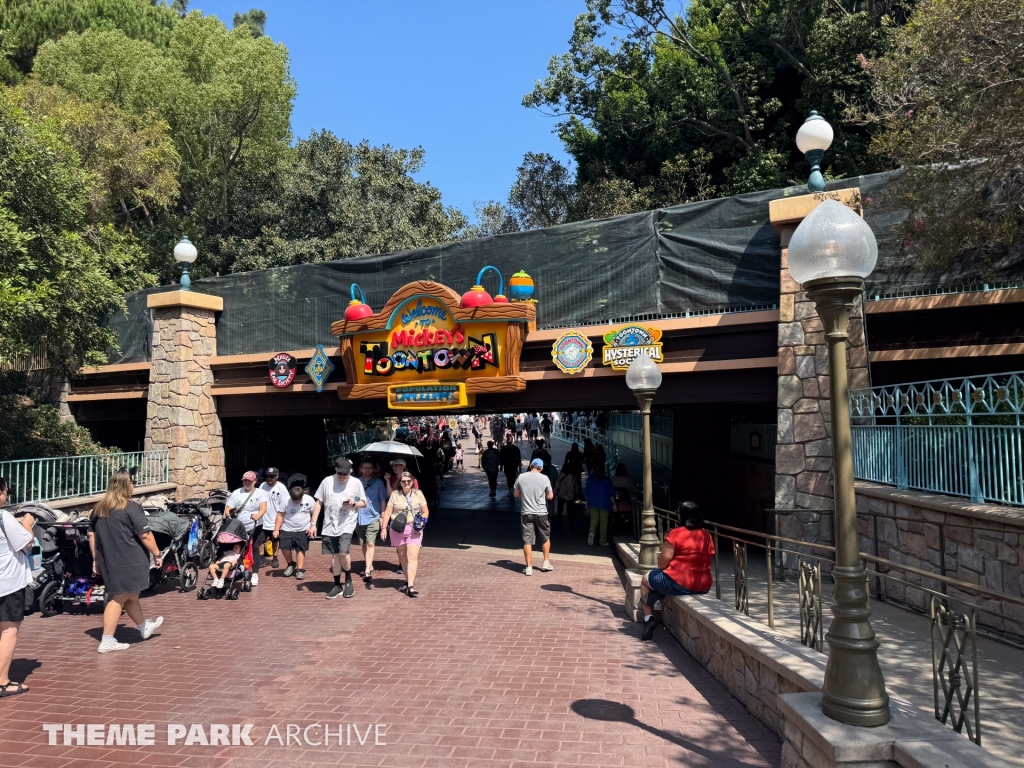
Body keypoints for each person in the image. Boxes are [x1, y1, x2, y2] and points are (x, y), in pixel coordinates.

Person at [87, 470, 164, 653]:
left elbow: (92, 535)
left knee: (131, 595)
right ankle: (107, 639)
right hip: (129, 560)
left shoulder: (98, 510)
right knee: (118, 597)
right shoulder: (131, 507)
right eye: (132, 482)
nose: (134, 485)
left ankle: (144, 626)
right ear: (124, 485)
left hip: (108, 560)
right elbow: (145, 535)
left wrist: (95, 559)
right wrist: (157, 554)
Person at [640, 502, 715, 640]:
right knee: (661, 579)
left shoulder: (675, 533)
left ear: (682, 516)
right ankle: (656, 597)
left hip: (679, 582)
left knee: (645, 579)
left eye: (678, 512)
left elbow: (662, 563)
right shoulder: (707, 535)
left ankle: (648, 618)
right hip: (703, 585)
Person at [311, 458, 365, 600]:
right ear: (335, 470)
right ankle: (337, 585)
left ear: (350, 472)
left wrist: (354, 503)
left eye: (345, 474)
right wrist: (313, 524)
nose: (342, 476)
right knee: (335, 555)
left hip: (347, 522)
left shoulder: (356, 483)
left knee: (343, 552)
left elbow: (363, 503)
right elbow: (319, 503)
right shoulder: (327, 481)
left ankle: (348, 579)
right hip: (329, 524)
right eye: (339, 473)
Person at [0, 478, 34, 696]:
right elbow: (26, 542)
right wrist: (27, 523)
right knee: (9, 630)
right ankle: (2, 682)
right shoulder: (3, 517)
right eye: (5, 491)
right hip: (7, 583)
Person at [380, 472, 429, 597]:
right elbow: (387, 512)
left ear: (412, 482)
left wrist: (423, 522)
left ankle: (411, 586)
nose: (406, 483)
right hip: (397, 529)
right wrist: (384, 528)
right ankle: (408, 581)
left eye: (408, 481)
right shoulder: (395, 495)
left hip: (414, 529)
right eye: (403, 481)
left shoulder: (418, 494)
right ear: (400, 483)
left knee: (412, 556)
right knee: (403, 558)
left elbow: (425, 511)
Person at [225, 471, 269, 586]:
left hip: (256, 526)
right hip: (239, 527)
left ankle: (254, 574)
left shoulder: (260, 493)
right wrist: (229, 515)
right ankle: (241, 568)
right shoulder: (236, 493)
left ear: (255, 481)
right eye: (245, 481)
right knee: (238, 548)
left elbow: (263, 508)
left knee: (254, 548)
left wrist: (257, 516)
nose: (247, 483)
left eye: (249, 481)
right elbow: (228, 508)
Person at [514, 459, 554, 575]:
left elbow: (516, 494)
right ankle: (546, 562)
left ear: (530, 466)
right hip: (541, 512)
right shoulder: (545, 478)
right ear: (541, 468)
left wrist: (526, 493)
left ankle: (529, 567)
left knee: (527, 540)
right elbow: (550, 496)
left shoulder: (521, 477)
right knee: (545, 537)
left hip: (526, 512)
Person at [273, 474, 316, 580]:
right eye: (294, 500)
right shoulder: (285, 500)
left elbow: (314, 514)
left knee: (300, 549)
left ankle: (300, 570)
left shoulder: (309, 500)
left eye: (298, 500)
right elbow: (280, 515)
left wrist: (312, 526)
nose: (296, 502)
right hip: (287, 528)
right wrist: (276, 529)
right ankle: (290, 564)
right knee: (284, 547)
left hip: (303, 529)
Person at [356, 458, 389, 582]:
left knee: (371, 543)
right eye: (365, 467)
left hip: (373, 517)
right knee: (363, 543)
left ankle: (367, 570)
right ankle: (369, 564)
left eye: (370, 467)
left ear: (373, 469)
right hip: (359, 517)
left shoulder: (379, 483)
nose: (367, 470)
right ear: (361, 469)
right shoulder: (356, 482)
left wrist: (382, 516)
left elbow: (382, 500)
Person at [259, 467, 287, 570]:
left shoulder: (281, 488)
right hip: (263, 519)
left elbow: (285, 504)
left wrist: (282, 519)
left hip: (275, 519)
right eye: (267, 476)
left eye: (272, 476)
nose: (269, 479)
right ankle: (263, 558)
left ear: (277, 477)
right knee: (261, 540)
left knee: (275, 540)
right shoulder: (262, 486)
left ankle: (275, 557)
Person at [585, 465, 615, 547]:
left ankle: (591, 533)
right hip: (605, 504)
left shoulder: (590, 479)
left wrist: (587, 503)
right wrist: (614, 504)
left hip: (593, 503)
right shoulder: (607, 480)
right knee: (603, 522)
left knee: (594, 520)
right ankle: (602, 541)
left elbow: (586, 493)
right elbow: (611, 494)